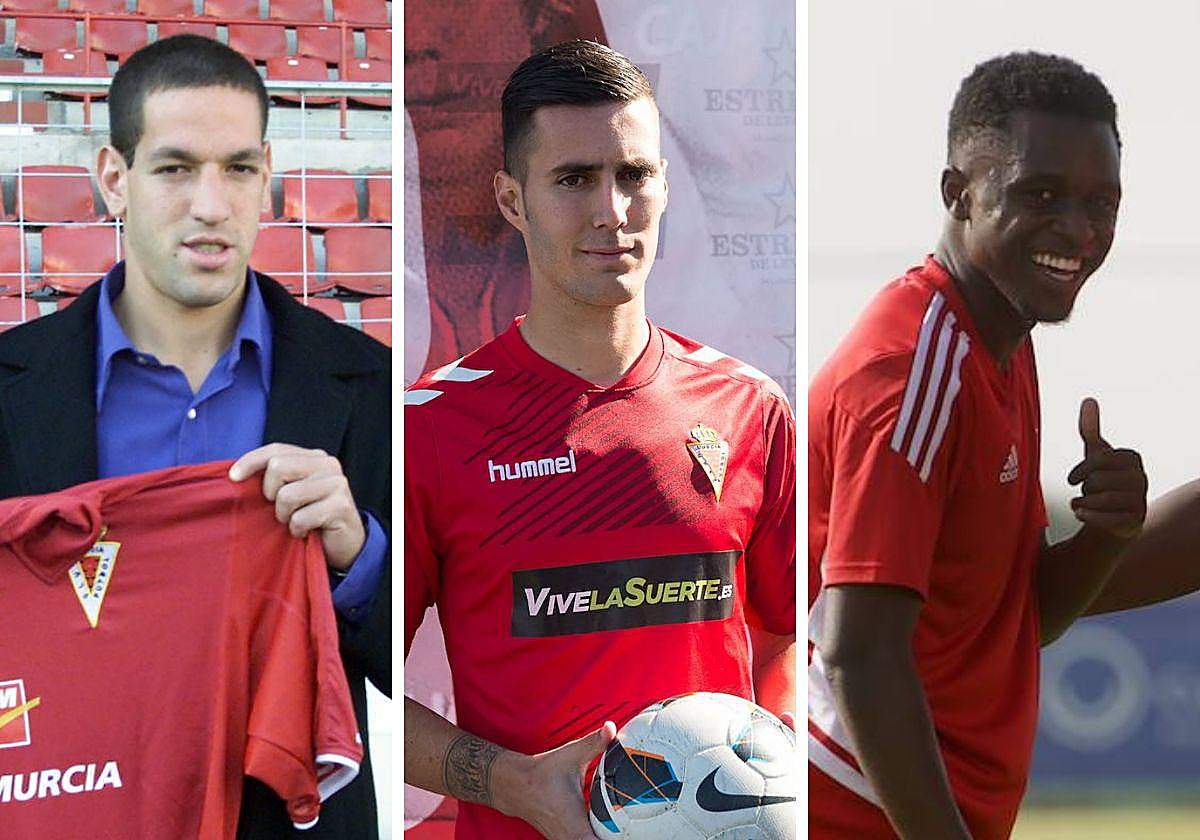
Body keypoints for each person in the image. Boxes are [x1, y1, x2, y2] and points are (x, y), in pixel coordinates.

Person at [404, 39, 796, 840]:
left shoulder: (749, 408)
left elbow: (787, 633)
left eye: (634, 175)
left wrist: (772, 763)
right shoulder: (430, 430)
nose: (611, 211)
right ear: (512, 200)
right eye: (574, 179)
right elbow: (354, 682)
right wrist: (510, 783)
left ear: (665, 186)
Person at [0, 35, 389, 839]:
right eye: (176, 168)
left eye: (238, 168)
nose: (211, 205)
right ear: (116, 179)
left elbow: (420, 662)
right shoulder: (12, 388)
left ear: (267, 176)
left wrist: (357, 558)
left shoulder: (366, 385)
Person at [808, 52, 1148, 840]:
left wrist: (1107, 535)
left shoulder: (1000, 340)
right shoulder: (914, 369)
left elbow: (1014, 615)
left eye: (1102, 202)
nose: (1079, 229)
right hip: (852, 809)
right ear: (958, 193)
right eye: (1041, 194)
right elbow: (860, 654)